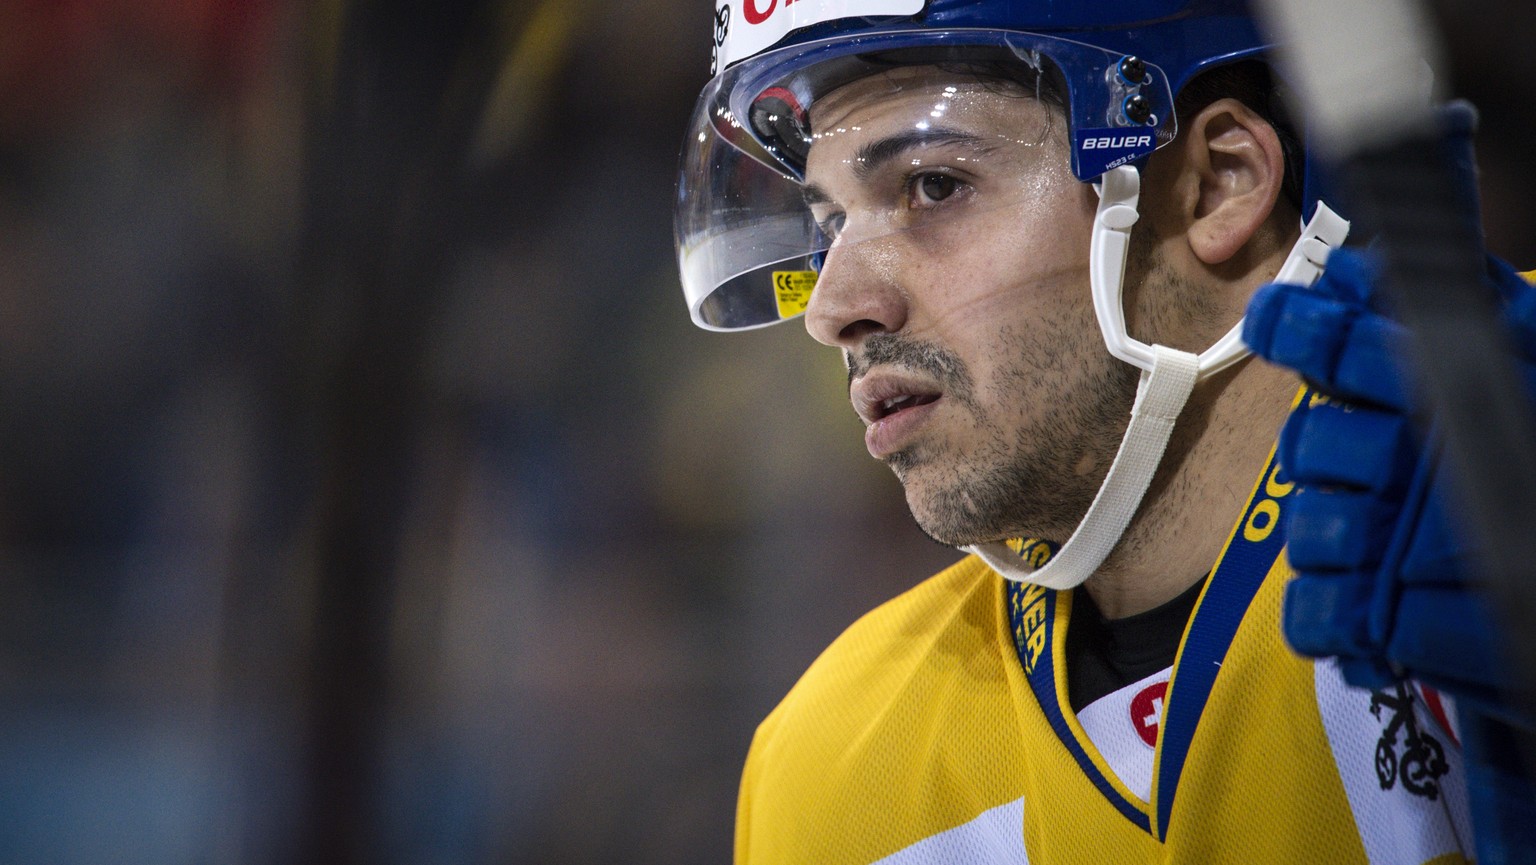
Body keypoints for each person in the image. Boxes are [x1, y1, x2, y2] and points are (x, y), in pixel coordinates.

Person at [674, 1, 1480, 861]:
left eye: (933, 186)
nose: (834, 309)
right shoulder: (830, 765)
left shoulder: (1492, 497)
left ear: (1219, 182)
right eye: (830, 225)